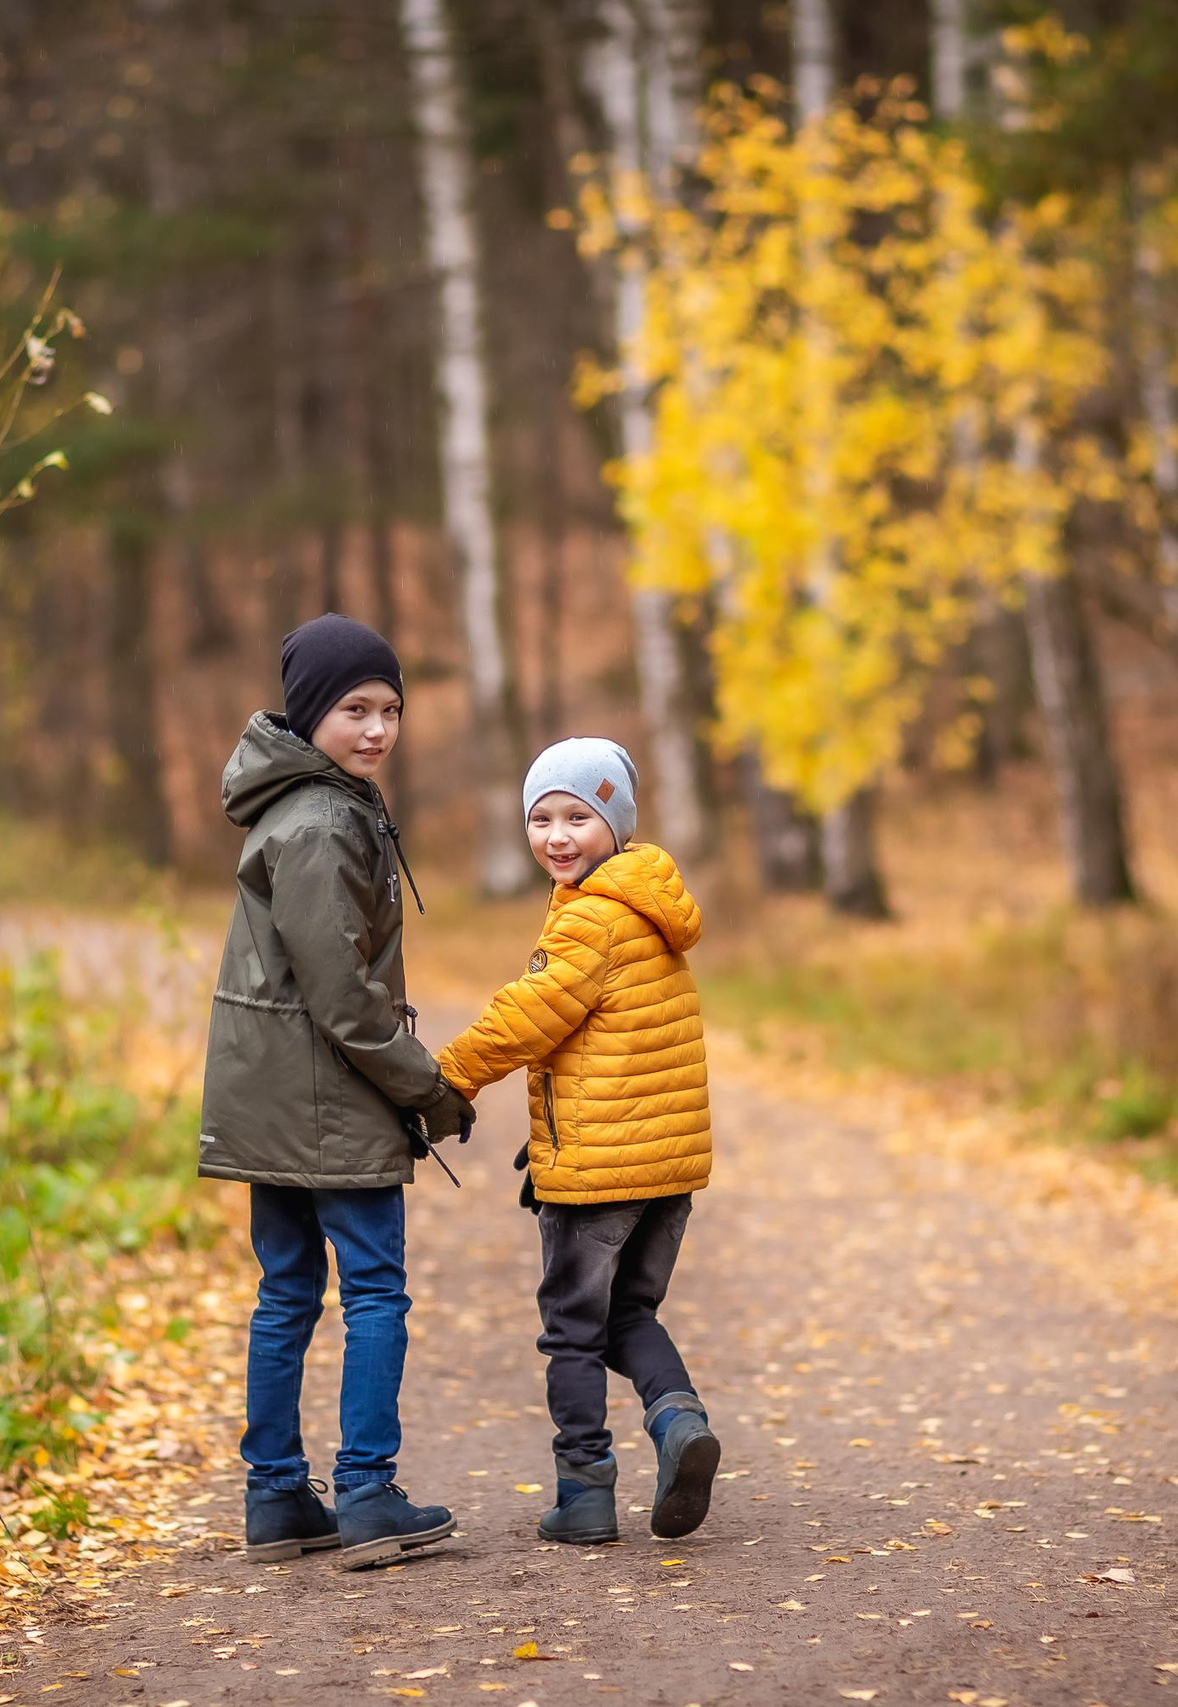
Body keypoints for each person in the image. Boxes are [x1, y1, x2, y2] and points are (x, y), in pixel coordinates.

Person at [199, 613, 473, 1570]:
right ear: (311, 710)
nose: (377, 729)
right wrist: (428, 1088)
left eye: (391, 708)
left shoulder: (313, 802)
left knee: (286, 1290)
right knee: (373, 1289)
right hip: (323, 1096)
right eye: (355, 708)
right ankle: (364, 1490)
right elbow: (343, 1000)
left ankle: (277, 1498)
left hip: (278, 1096)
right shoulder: (320, 821)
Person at [434, 737, 718, 1546]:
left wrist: (449, 1074)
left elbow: (530, 1013)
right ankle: (678, 1423)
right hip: (667, 1169)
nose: (558, 836)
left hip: (599, 1174)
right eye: (541, 818)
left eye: (579, 817)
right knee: (630, 1311)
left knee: (572, 1328)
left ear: (615, 826)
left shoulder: (591, 917)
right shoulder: (647, 907)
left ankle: (585, 1490)